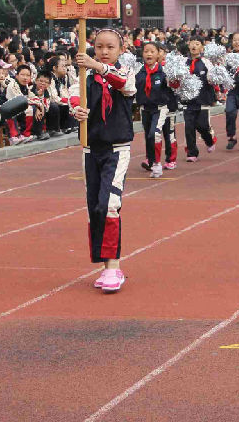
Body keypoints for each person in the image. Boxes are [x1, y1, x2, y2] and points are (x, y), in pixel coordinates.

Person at [69, 28, 136, 293]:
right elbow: (74, 96)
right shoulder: (83, 77)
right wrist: (77, 110)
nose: (104, 52)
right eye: (99, 47)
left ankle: (113, 267)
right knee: (94, 207)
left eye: (110, 47)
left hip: (117, 149)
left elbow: (124, 84)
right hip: (90, 149)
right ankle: (103, 263)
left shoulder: (126, 72)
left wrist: (96, 65)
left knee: (110, 204)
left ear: (121, 49)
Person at [135, 42, 171, 178]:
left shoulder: (164, 71)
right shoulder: (139, 70)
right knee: (148, 136)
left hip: (160, 108)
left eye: (152, 51)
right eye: (146, 51)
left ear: (158, 54)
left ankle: (157, 164)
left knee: (154, 134)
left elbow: (173, 87)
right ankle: (150, 160)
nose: (149, 54)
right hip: (145, 109)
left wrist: (174, 82)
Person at [182, 37, 217, 162]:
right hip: (188, 100)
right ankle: (192, 152)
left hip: (203, 98)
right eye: (192, 43)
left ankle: (209, 140)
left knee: (202, 125)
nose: (194, 46)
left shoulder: (206, 62)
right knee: (189, 127)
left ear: (202, 48)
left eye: (197, 44)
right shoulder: (183, 63)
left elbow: (212, 78)